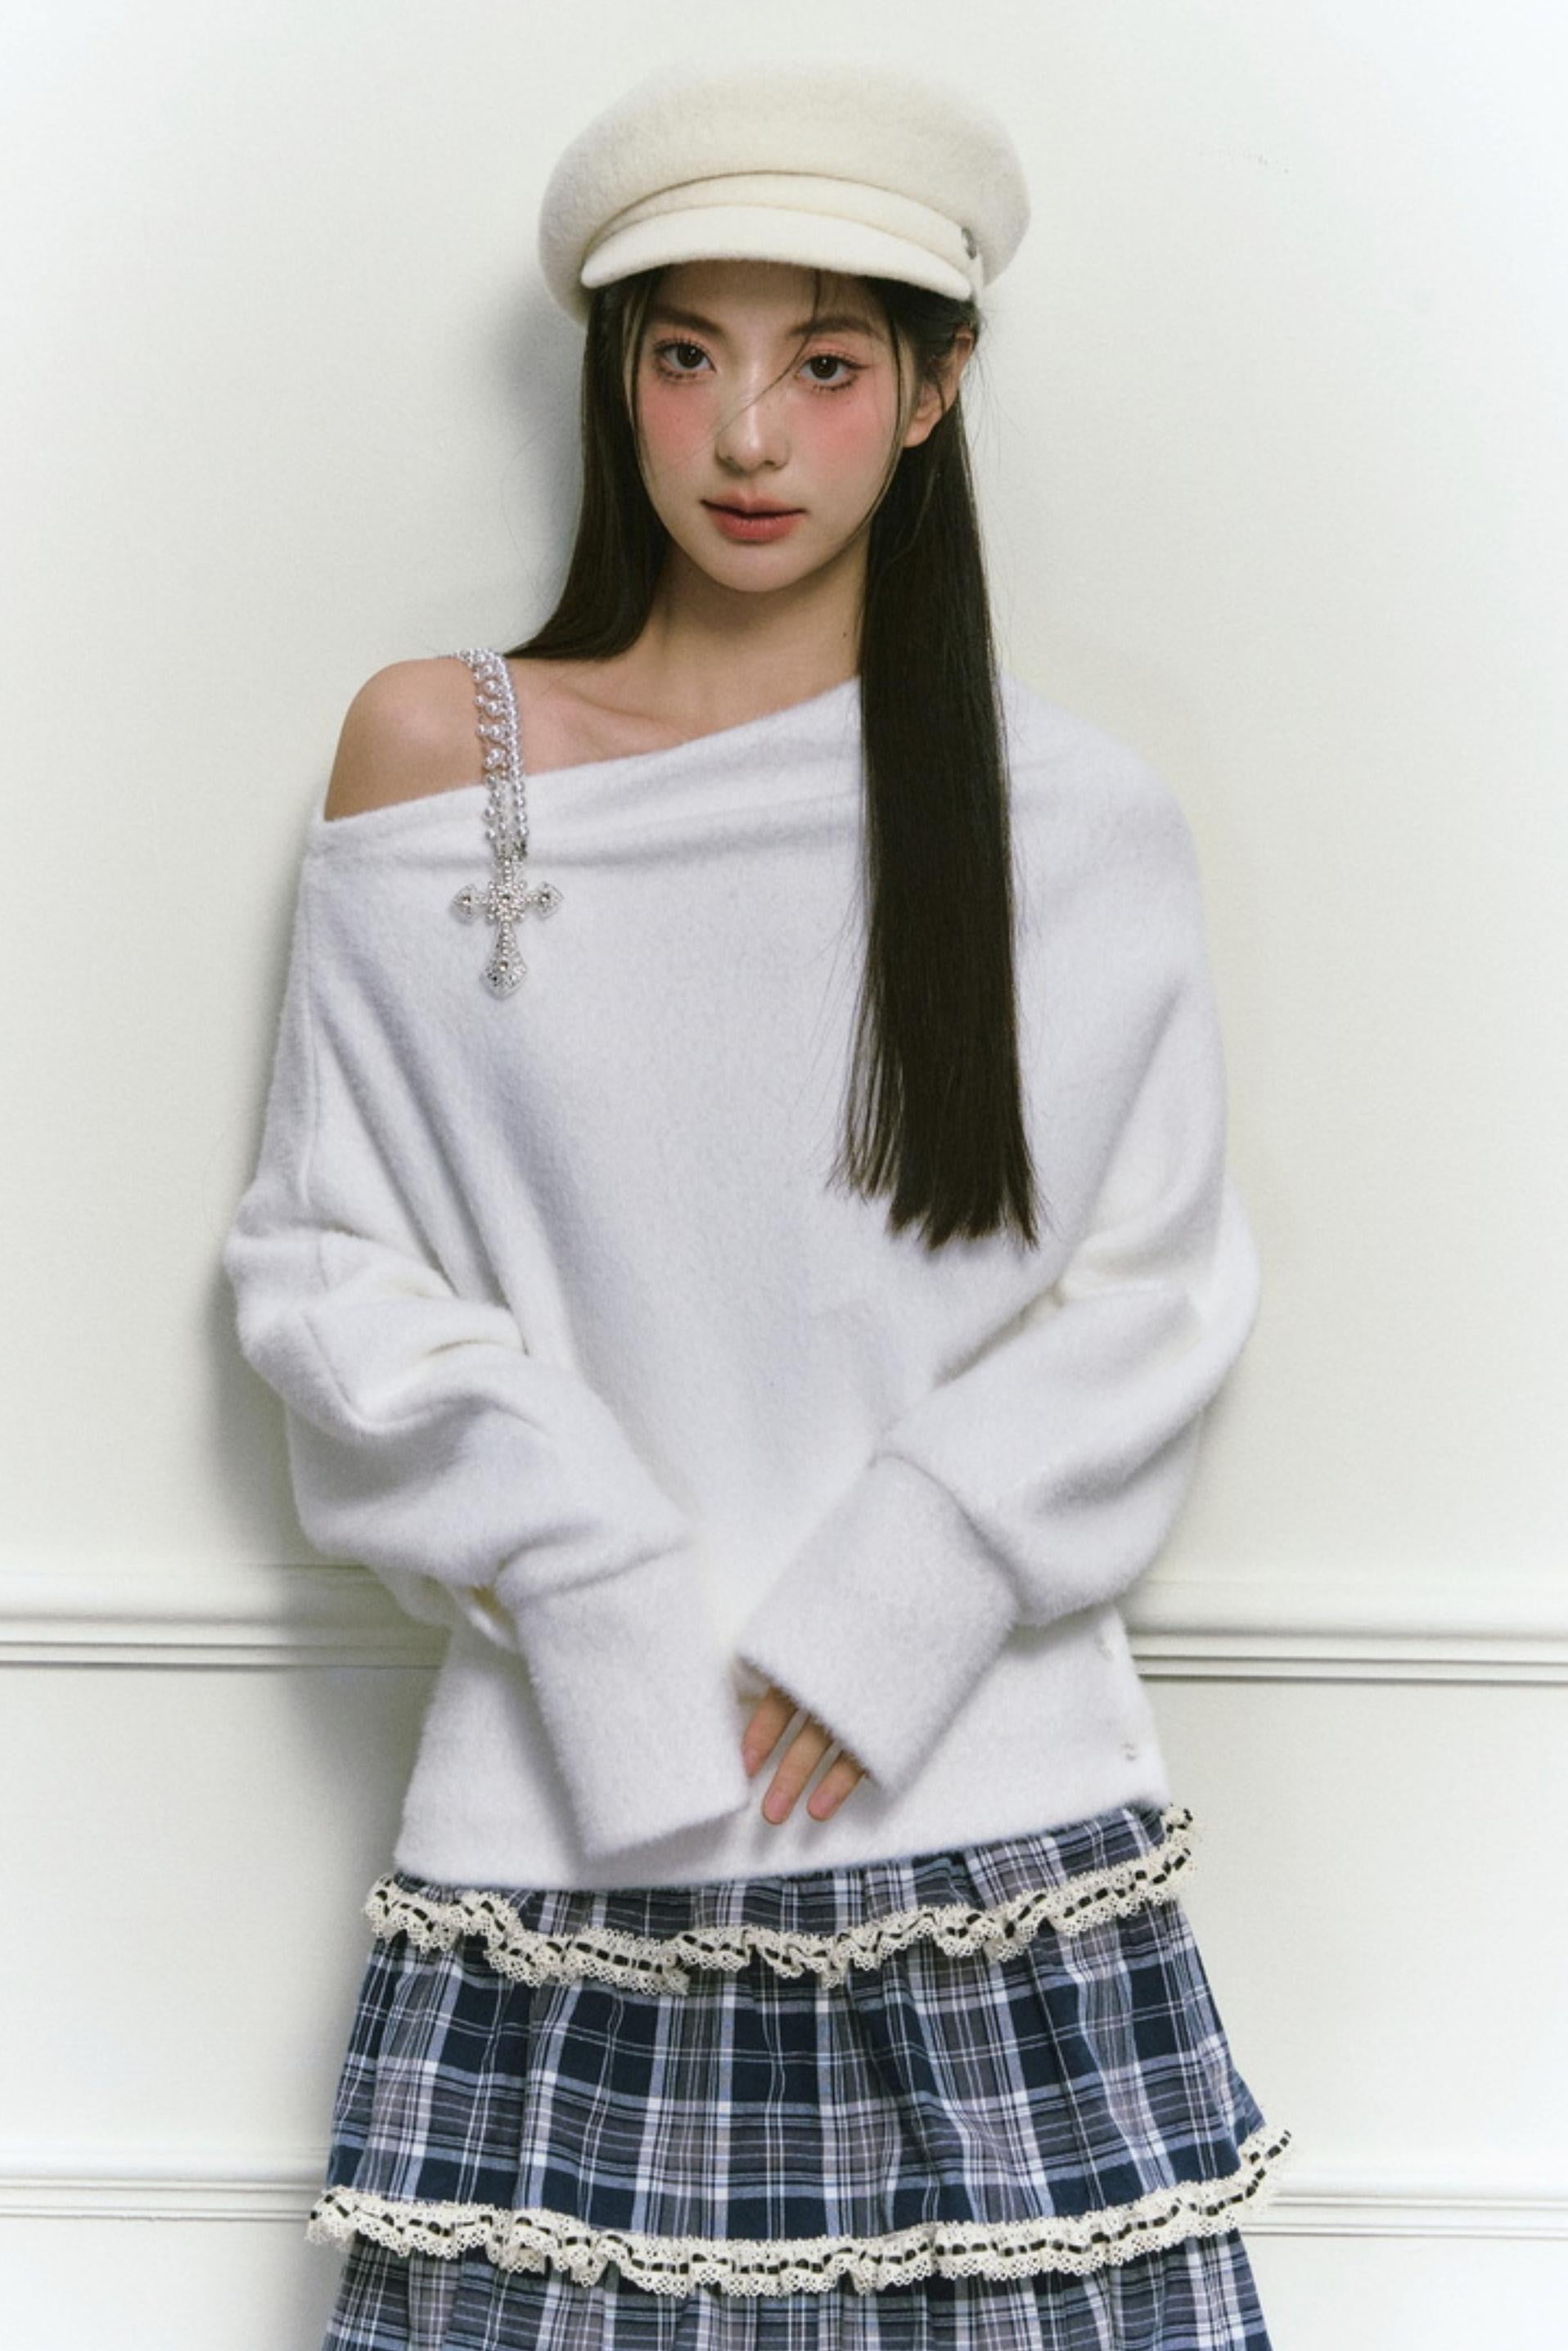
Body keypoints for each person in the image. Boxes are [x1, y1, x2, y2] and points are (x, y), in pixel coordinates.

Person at [221, 52, 1292, 2351]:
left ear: (933, 389)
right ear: (614, 371)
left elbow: (1158, 1289)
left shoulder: (1076, 824)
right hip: (563, 1830)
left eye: (823, 365)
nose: (743, 437)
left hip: (988, 1822)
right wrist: (593, 1580)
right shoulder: (441, 759)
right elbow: (328, 1265)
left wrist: (908, 1584)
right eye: (685, 354)